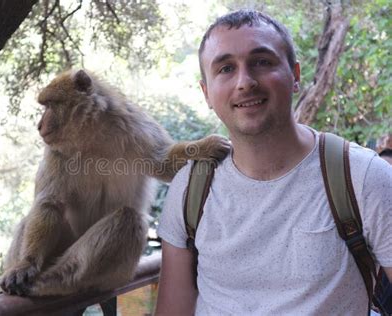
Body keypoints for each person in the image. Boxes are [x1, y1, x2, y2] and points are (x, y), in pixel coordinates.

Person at [155, 10, 392, 315]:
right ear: (207, 93)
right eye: (226, 68)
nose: (245, 81)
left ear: (295, 75)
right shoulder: (190, 189)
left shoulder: (363, 178)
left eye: (262, 62)